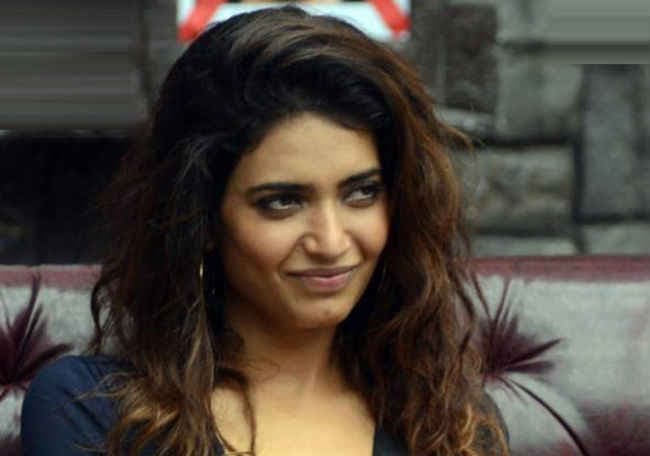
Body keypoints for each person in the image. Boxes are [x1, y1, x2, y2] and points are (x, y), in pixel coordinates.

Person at [21, 5, 509, 455]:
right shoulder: (91, 410)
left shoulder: (453, 425)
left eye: (362, 193)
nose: (331, 242)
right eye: (283, 202)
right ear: (202, 219)